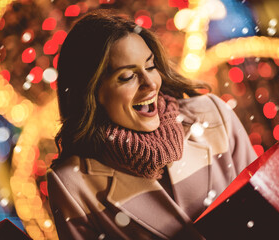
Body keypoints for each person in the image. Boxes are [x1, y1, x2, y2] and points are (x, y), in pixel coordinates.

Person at [47, 10, 257, 240]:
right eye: (127, 76)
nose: (150, 84)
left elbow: (265, 208)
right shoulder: (71, 183)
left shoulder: (214, 115)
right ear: (92, 93)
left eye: (150, 66)